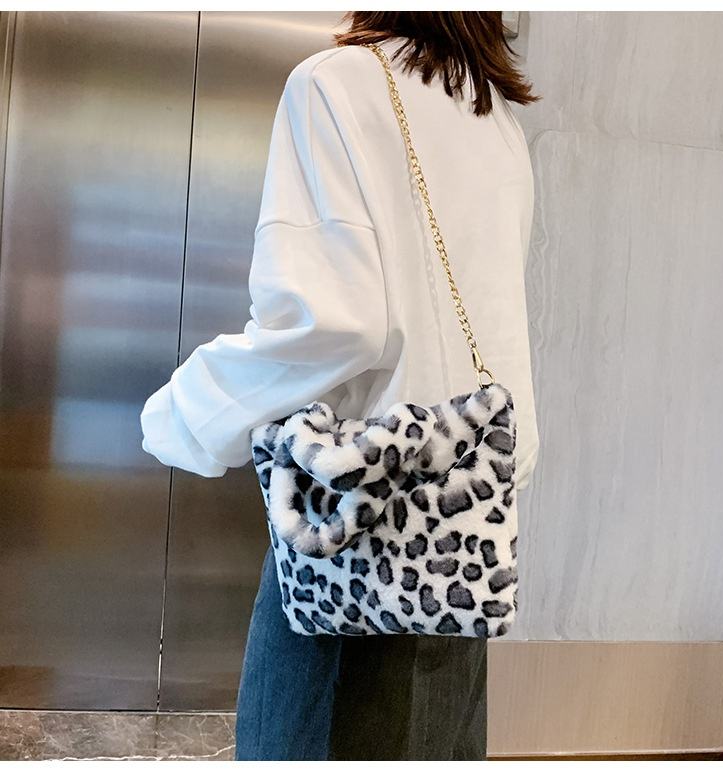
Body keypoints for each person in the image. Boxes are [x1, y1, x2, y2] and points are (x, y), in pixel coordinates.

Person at [140, 11, 540, 761]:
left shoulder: (338, 84)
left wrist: (183, 416)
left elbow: (330, 325)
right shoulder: (493, 116)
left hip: (352, 533)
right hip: (460, 543)